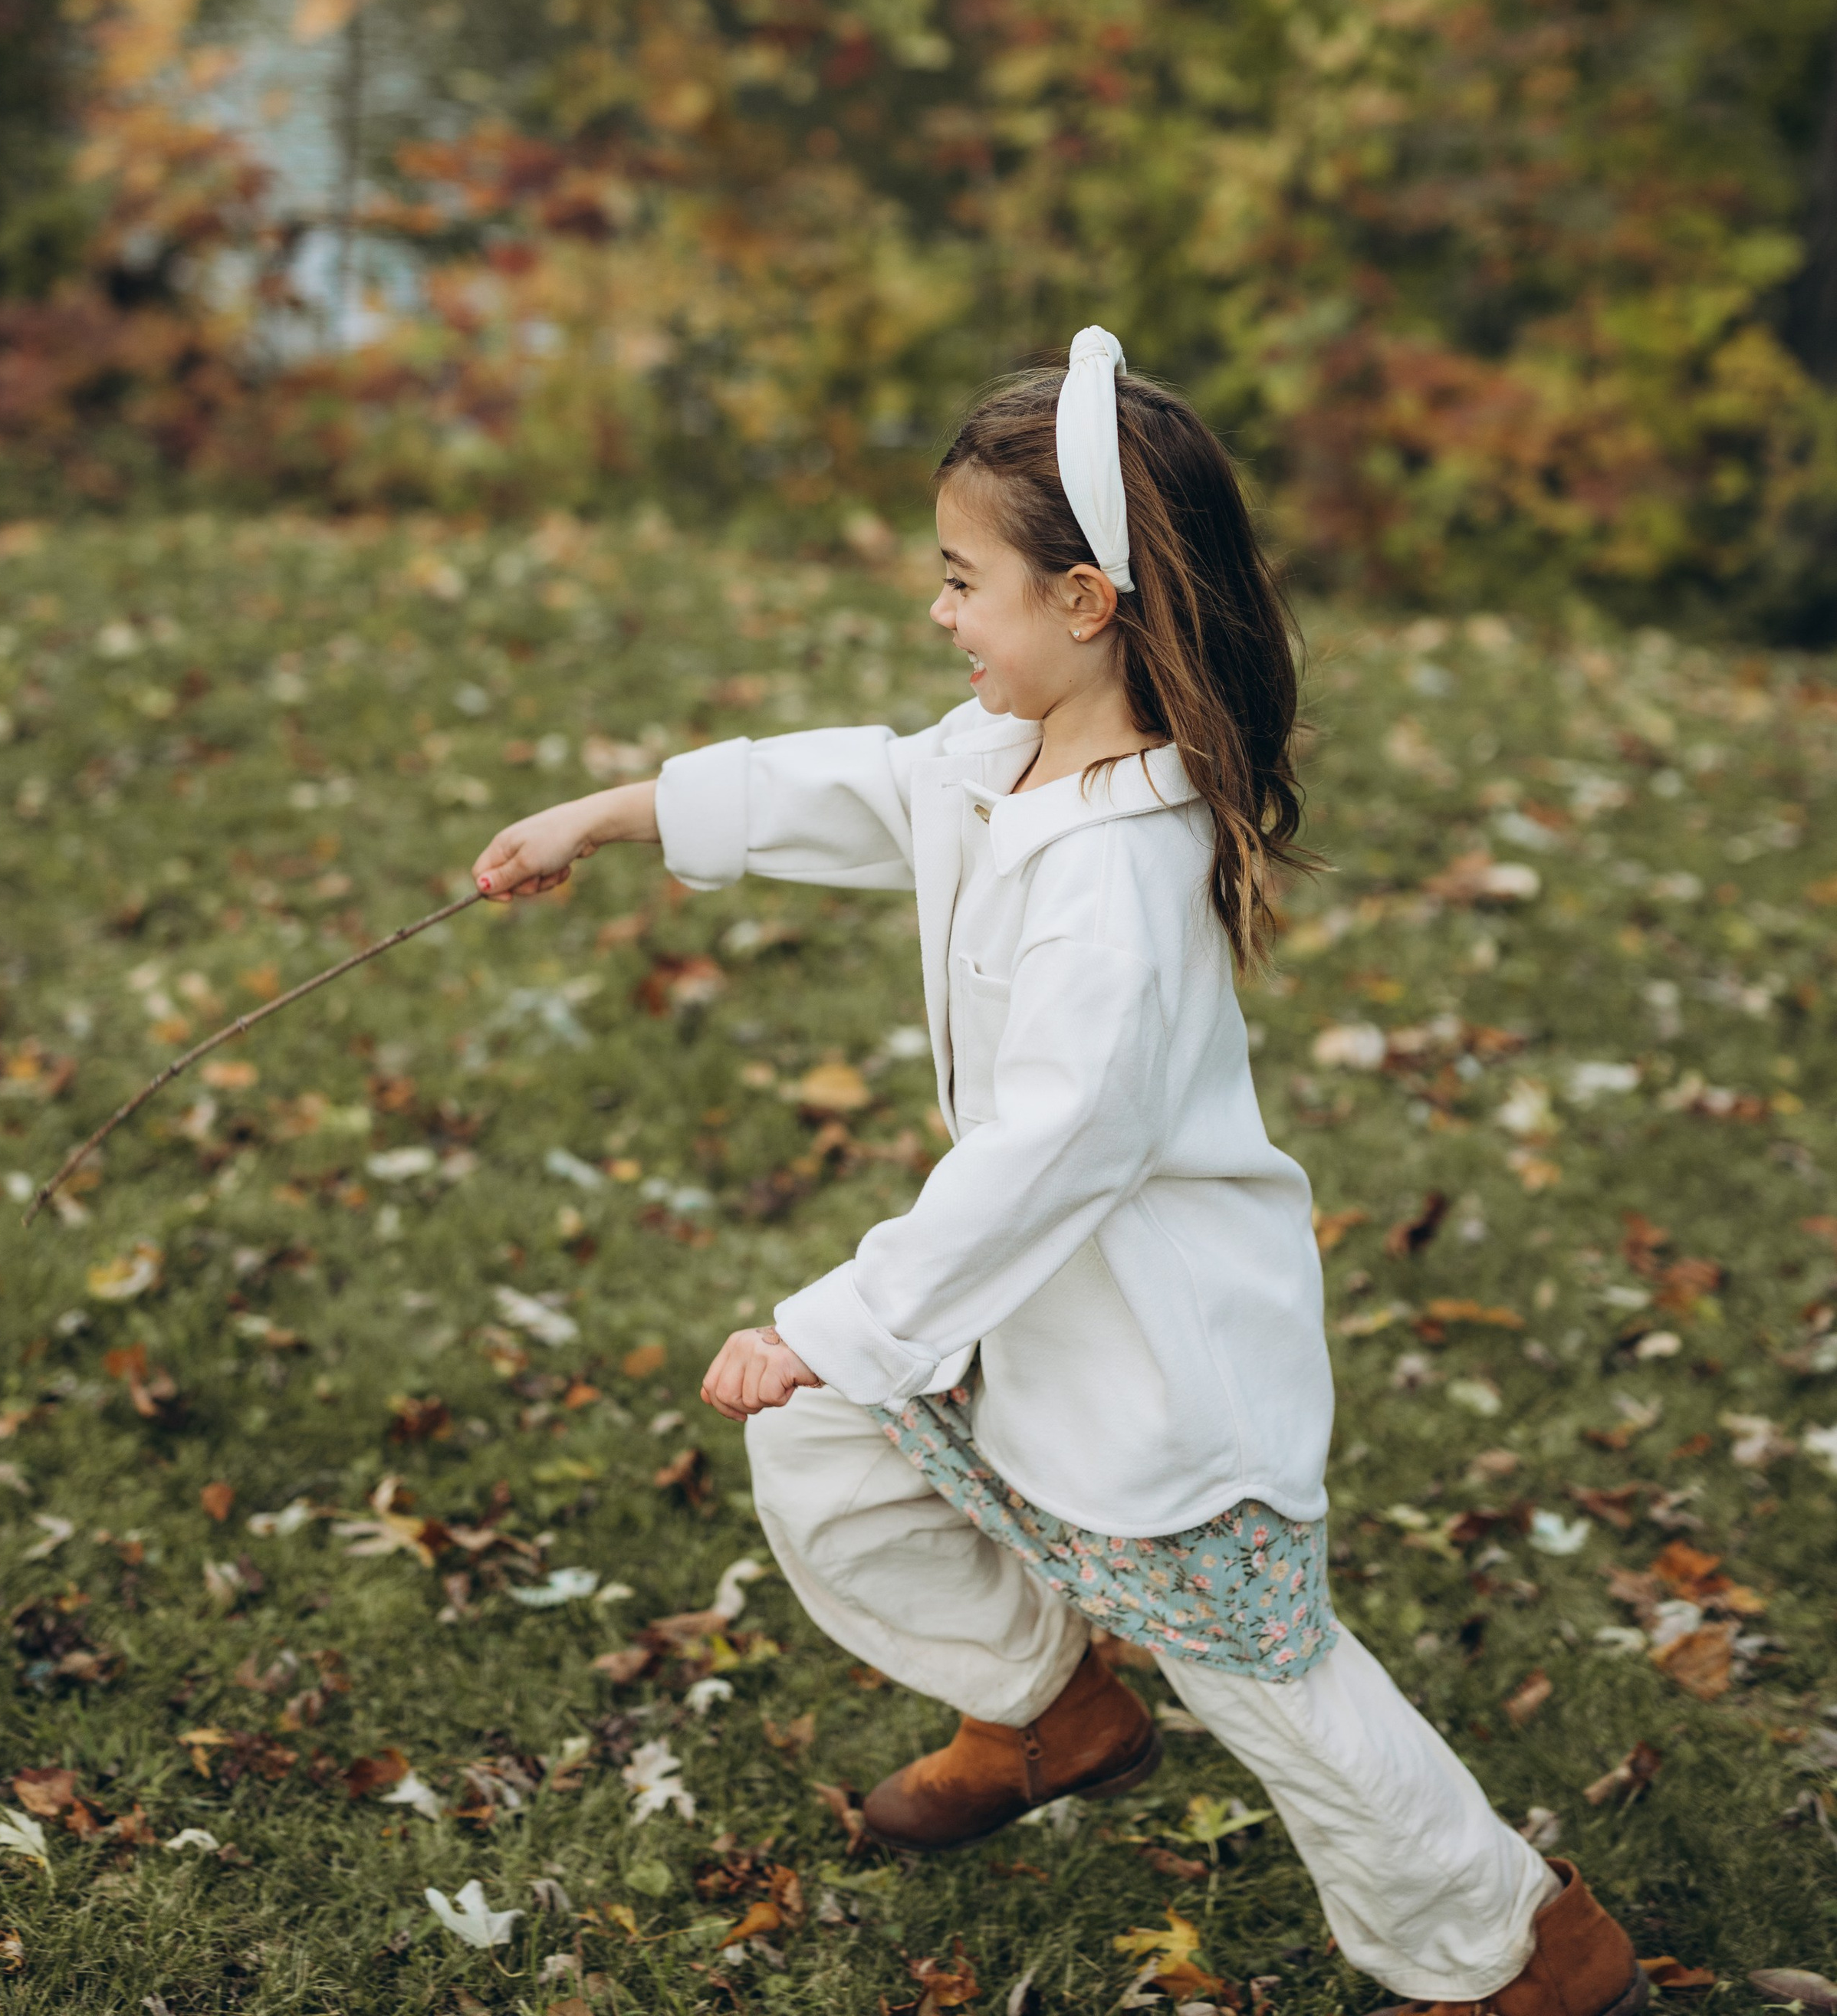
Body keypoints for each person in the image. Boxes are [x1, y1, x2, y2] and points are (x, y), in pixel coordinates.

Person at [472, 331, 1647, 2016]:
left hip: (1159, 1372)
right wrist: (605, 816)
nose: (940, 616)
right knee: (828, 1440)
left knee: (1271, 1686)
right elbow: (860, 783)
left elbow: (1048, 1154)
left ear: (1085, 603)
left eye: (965, 582)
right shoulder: (996, 756)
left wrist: (847, 1314)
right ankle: (1048, 1708)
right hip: (1030, 1319)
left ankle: (1518, 1947)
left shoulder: (1116, 874)